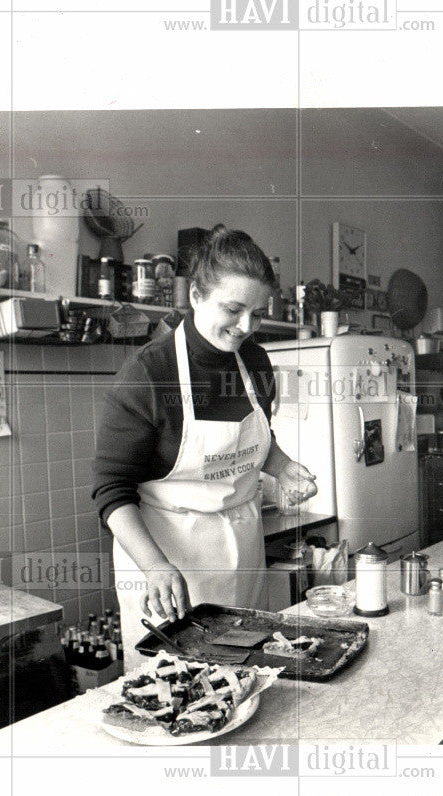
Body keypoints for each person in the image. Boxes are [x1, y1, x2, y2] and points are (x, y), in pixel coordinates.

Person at [92, 224, 317, 671]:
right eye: (233, 309)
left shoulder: (255, 361)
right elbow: (111, 491)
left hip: (242, 548)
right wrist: (155, 566)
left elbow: (253, 438)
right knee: (178, 691)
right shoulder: (149, 375)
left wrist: (283, 465)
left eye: (258, 312)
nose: (246, 327)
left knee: (246, 675)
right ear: (195, 295)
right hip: (169, 564)